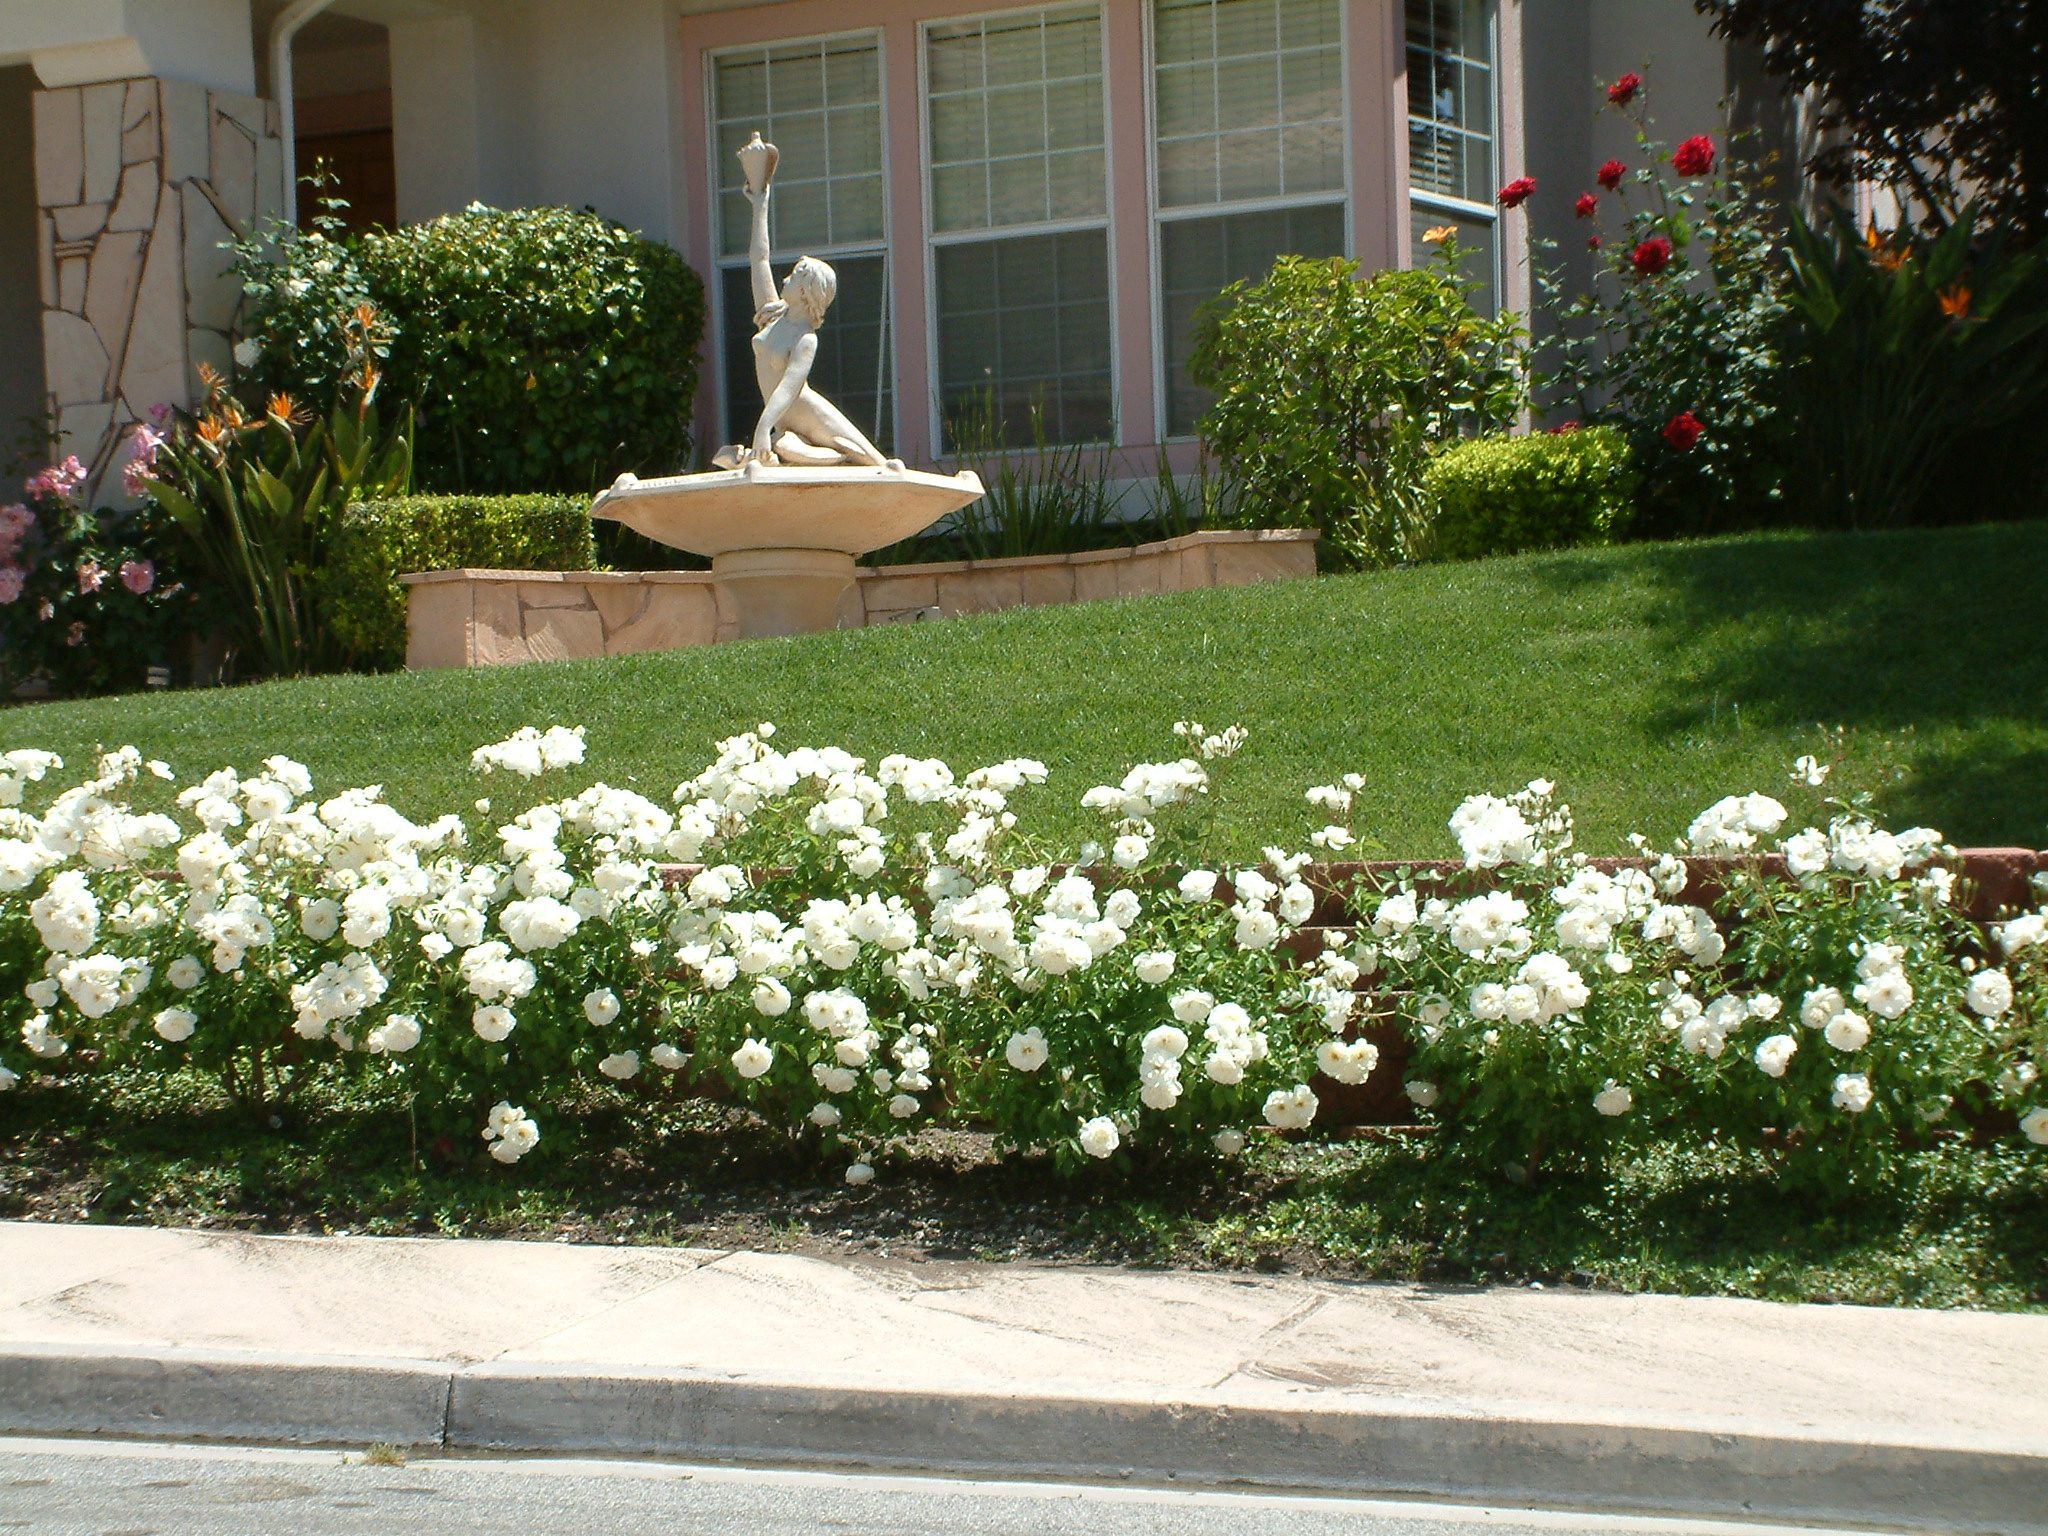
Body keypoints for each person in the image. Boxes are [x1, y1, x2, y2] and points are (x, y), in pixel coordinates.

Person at [718, 165, 892, 469]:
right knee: (783, 445)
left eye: (795, 276)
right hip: (784, 423)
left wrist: (762, 429)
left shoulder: (805, 339)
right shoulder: (774, 317)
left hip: (810, 415)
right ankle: (799, 452)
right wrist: (760, 203)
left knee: (874, 461)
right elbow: (759, 258)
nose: (785, 278)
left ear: (806, 293)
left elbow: (789, 388)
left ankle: (832, 458)